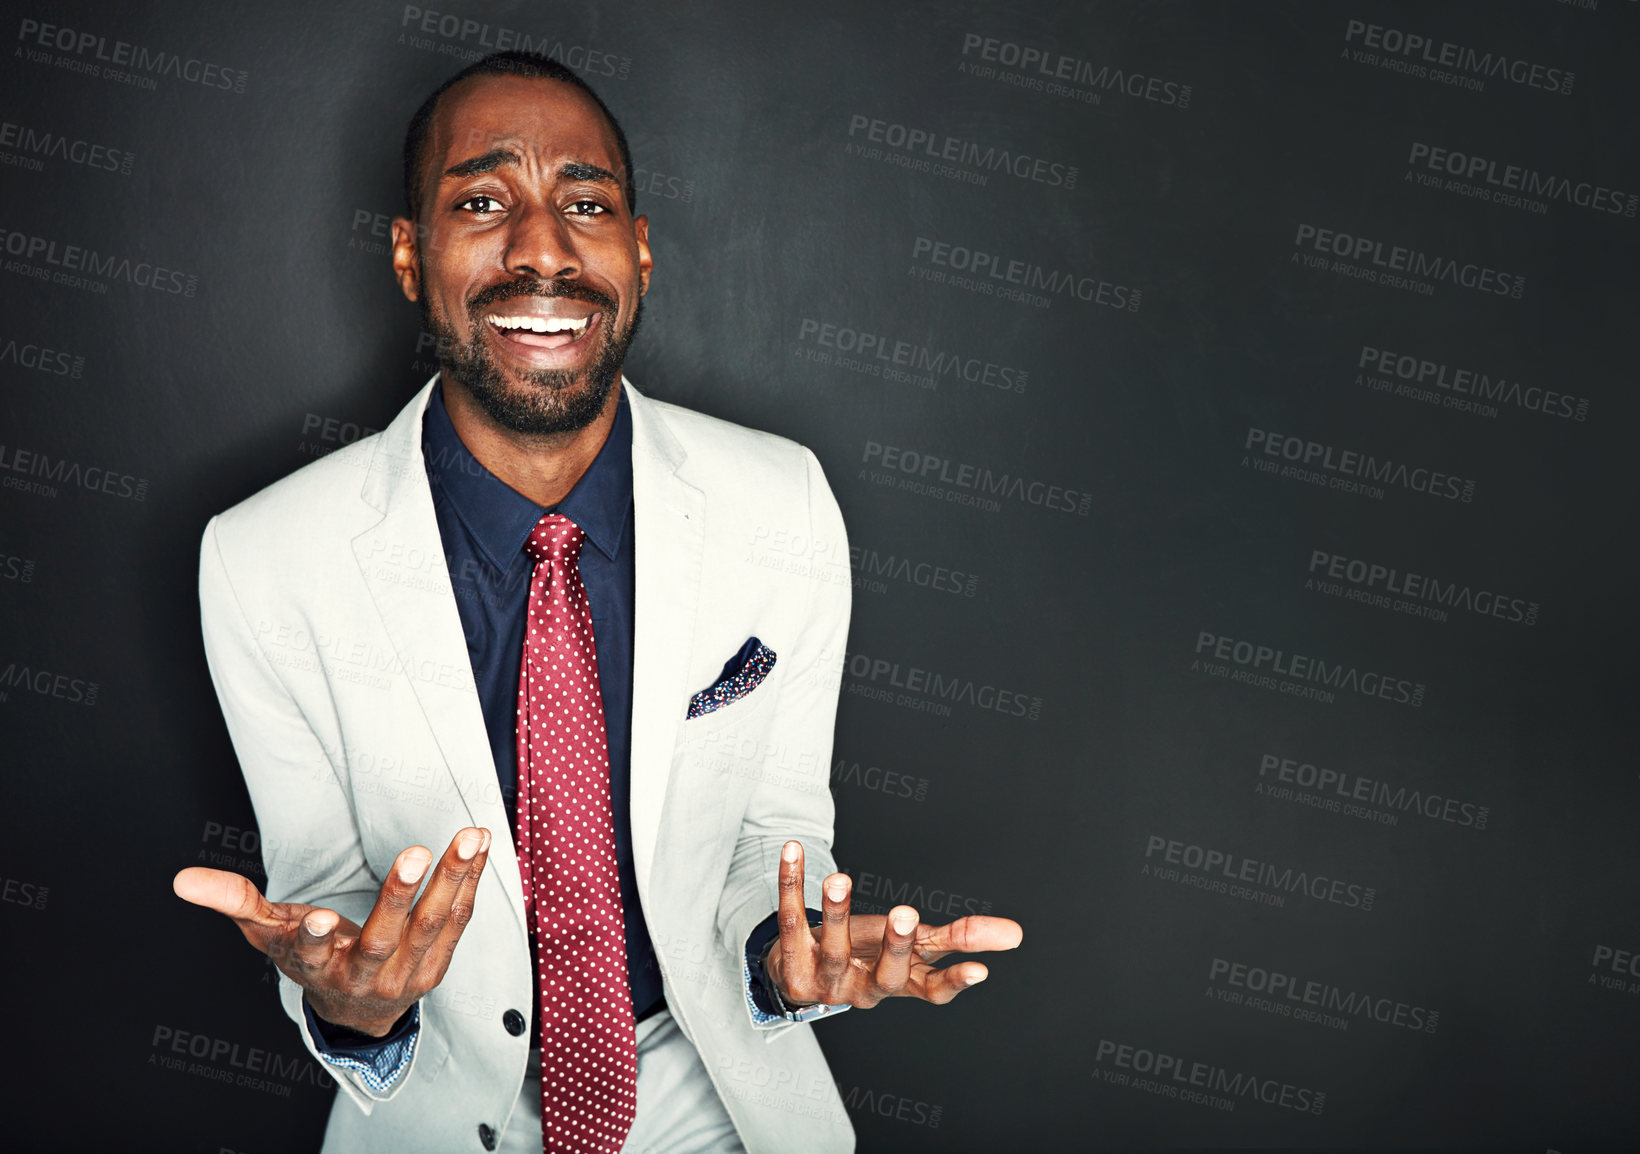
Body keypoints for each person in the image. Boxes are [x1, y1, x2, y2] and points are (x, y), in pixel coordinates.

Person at [172, 50, 1022, 1154]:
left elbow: (772, 828)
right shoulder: (262, 557)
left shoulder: (784, 501)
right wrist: (355, 1001)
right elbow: (324, 899)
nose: (541, 250)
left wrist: (785, 948)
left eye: (586, 204)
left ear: (642, 251)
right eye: (482, 202)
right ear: (406, 256)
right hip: (438, 1109)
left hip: (715, 1090)